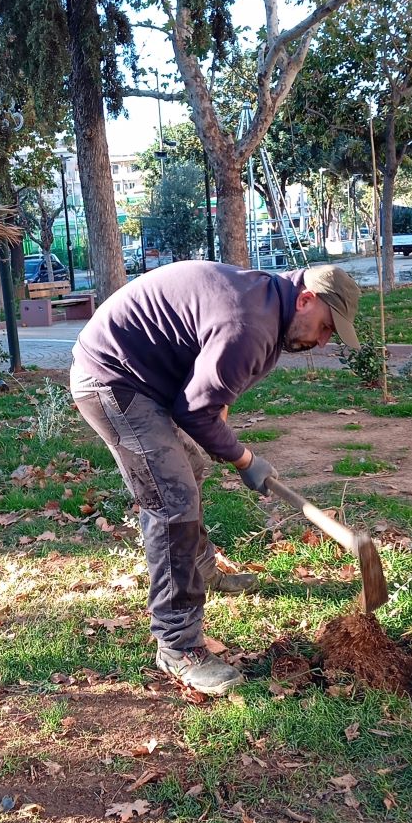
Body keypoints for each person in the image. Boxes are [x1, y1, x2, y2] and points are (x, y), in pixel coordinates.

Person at [70, 262, 361, 696]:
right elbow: (194, 412)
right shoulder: (251, 324)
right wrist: (246, 460)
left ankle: (201, 570)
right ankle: (178, 646)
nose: (322, 341)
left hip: (147, 377)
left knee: (190, 467)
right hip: (112, 378)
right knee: (171, 500)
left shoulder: (271, 306)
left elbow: (212, 391)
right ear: (306, 300)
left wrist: (223, 436)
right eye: (325, 327)